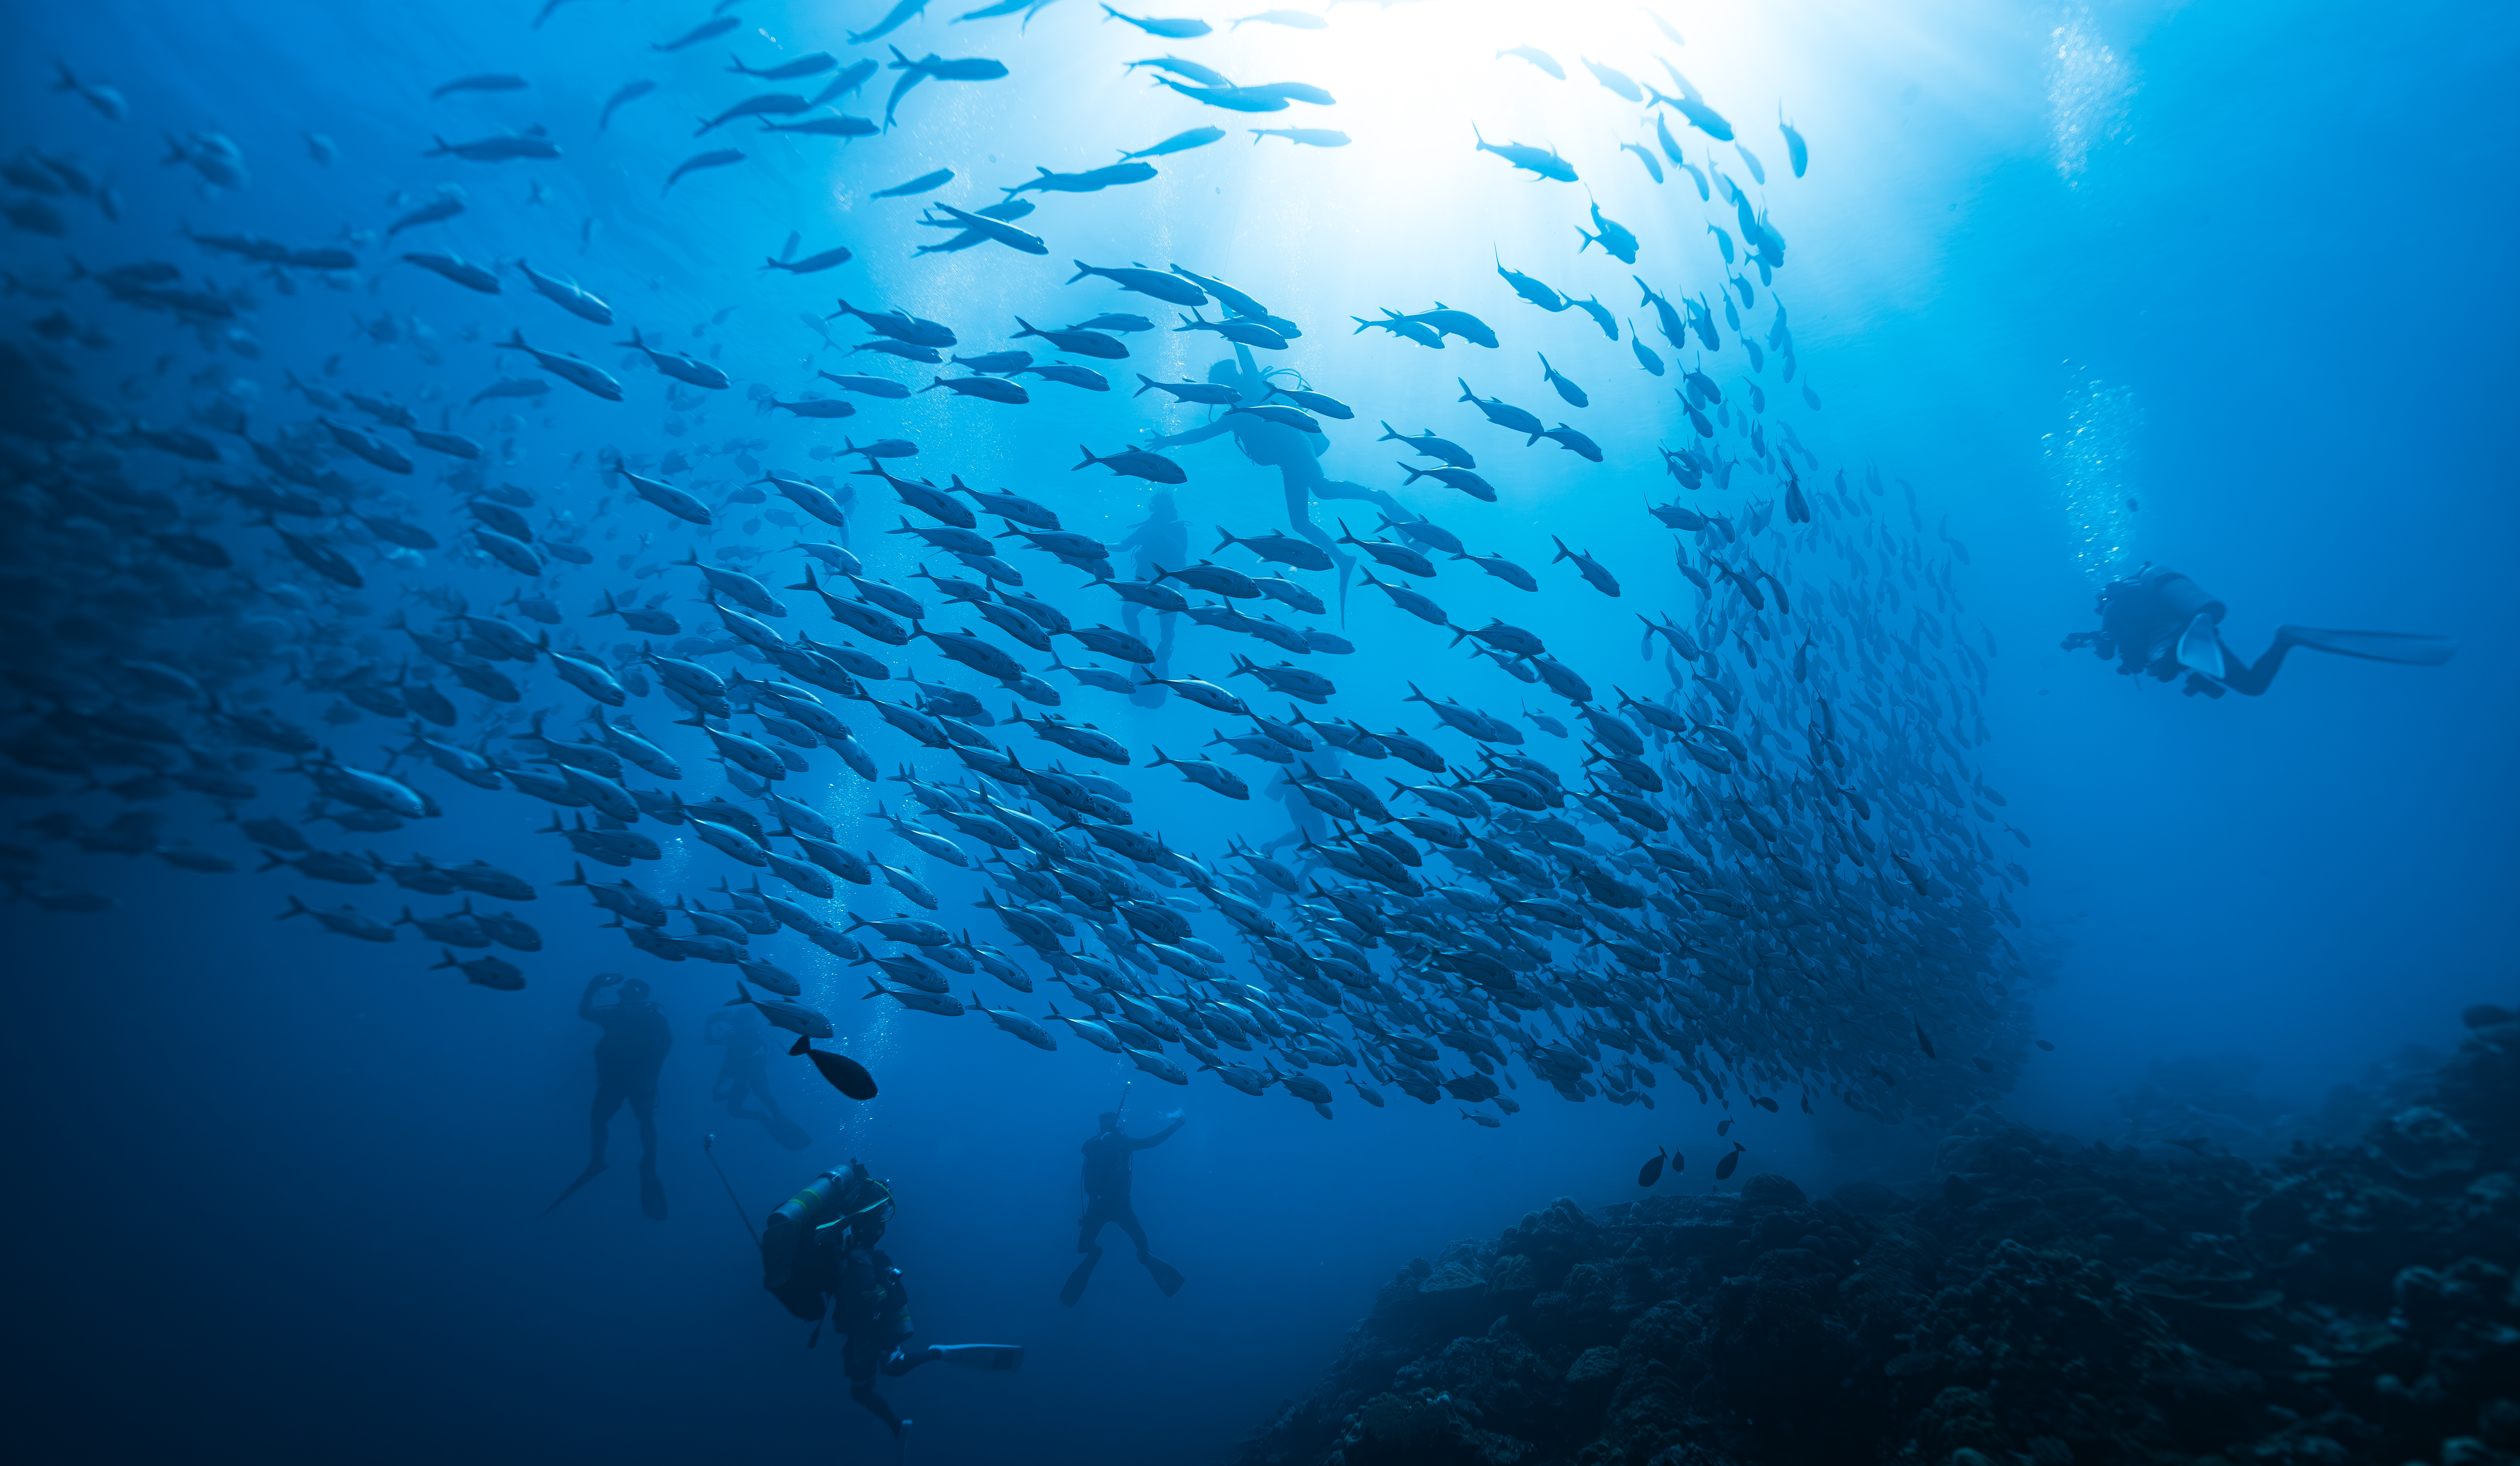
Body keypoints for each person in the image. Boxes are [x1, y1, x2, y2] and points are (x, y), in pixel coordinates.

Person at [758, 1161, 1023, 1449]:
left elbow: (837, 1282)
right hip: (873, 1306)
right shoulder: (853, 1229)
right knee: (884, 1373)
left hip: (866, 1315)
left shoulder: (838, 1224)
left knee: (865, 1388)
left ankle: (908, 1403)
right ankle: (909, 1401)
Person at [1141, 345, 1414, 611]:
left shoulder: (1254, 388)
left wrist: (1234, 331)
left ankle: (1381, 498)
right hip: (1287, 461)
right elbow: (1203, 433)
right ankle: (1343, 559)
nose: (1217, 394)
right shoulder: (1233, 415)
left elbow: (1246, 360)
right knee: (1300, 523)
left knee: (1323, 489)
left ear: (1229, 382)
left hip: (1297, 444)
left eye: (1219, 386)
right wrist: (1167, 440)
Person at [2061, 565, 2456, 698]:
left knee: (2162, 668)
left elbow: (2110, 646)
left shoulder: (2113, 609)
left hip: (2174, 643)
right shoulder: (2137, 601)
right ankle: (2287, 637)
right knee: (2251, 686)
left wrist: (2094, 644)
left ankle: (2283, 638)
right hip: (2192, 630)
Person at [547, 973, 672, 1219]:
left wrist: (652, 1077)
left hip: (641, 1081)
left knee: (645, 1121)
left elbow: (667, 1046)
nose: (628, 997)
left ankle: (648, 1162)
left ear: (646, 997)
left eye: (635, 993)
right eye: (625, 993)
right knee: (600, 1119)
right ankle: (599, 1159)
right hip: (615, 1079)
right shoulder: (615, 1015)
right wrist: (592, 987)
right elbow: (585, 1012)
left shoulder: (654, 1018)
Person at [1060, 1106, 1187, 1306]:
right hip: (1104, 1204)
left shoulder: (1119, 1143)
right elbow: (1086, 1148)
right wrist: (1177, 1125)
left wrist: (1176, 1125)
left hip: (1114, 1204)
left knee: (1141, 1243)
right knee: (1085, 1247)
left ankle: (1130, 1255)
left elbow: (1152, 1142)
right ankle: (1101, 1253)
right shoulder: (1097, 1144)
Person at [1108, 488, 1189, 702]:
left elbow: (1180, 551)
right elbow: (1124, 546)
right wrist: (1097, 547)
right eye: (1169, 507)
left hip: (1169, 588)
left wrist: (1160, 532)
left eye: (1171, 507)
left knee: (1167, 630)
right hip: (1144, 583)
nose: (1173, 510)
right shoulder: (1147, 528)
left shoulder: (1180, 530)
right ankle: (1138, 642)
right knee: (1128, 611)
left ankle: (1164, 655)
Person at [704, 1005, 811, 1151]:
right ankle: (769, 1120)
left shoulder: (743, 1034)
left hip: (750, 1078)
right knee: (760, 1108)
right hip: (751, 1078)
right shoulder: (752, 1034)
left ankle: (771, 1122)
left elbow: (713, 1041)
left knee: (758, 1108)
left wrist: (712, 1022)